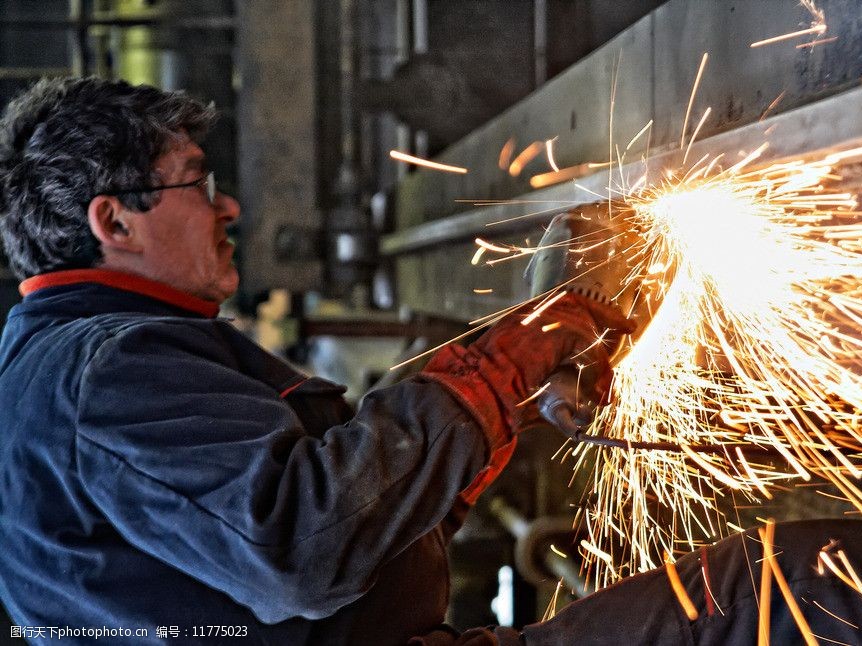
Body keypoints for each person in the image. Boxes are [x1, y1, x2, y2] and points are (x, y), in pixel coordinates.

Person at [0, 77, 625, 644]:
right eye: (198, 183)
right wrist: (504, 368)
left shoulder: (57, 371)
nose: (228, 208)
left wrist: (491, 417)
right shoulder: (108, 371)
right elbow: (299, 547)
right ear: (115, 221)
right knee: (717, 605)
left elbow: (337, 532)